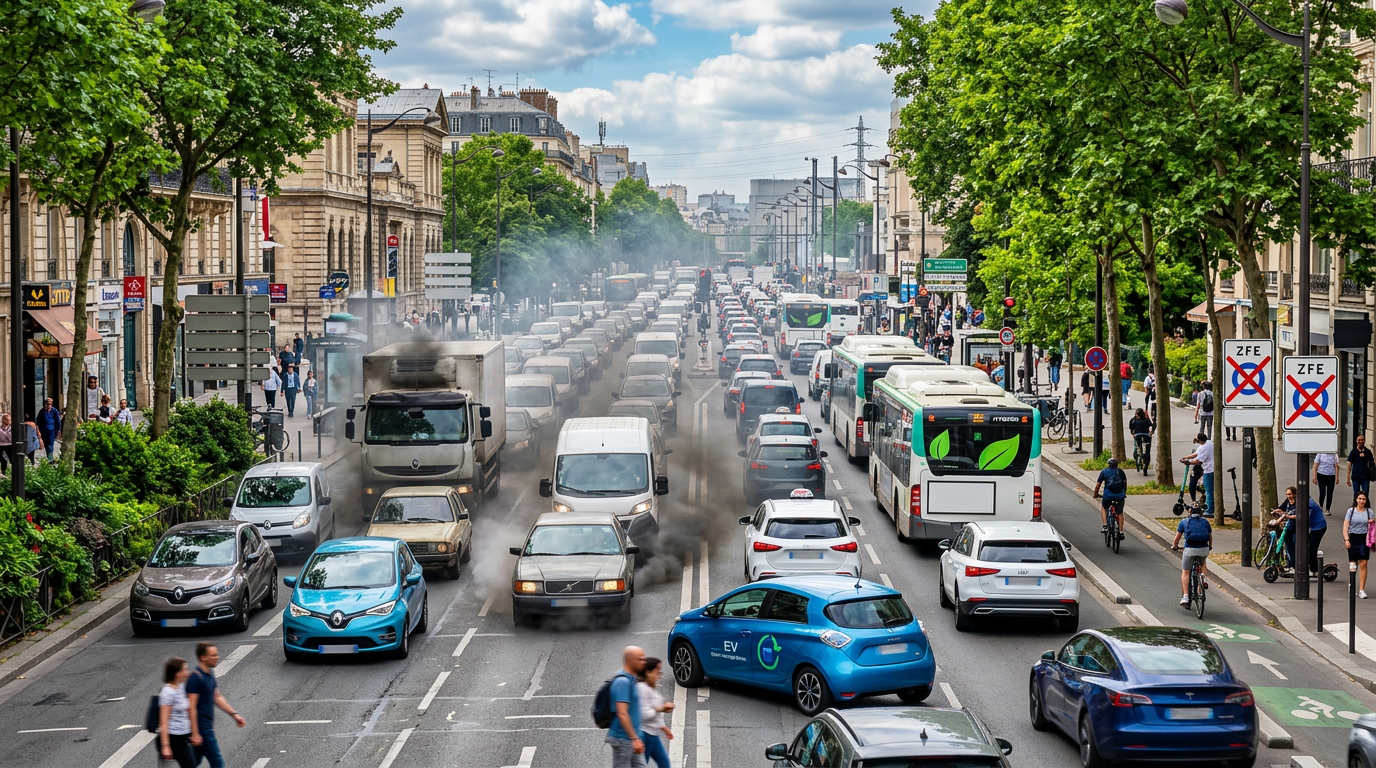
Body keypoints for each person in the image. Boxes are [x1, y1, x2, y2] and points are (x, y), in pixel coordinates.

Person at [185, 643, 247, 768]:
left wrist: (235, 715)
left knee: (192, 763)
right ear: (203, 657)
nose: (217, 657)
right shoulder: (195, 678)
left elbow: (217, 696)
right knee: (217, 763)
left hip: (205, 726)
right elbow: (190, 707)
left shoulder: (209, 674)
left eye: (216, 654)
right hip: (202, 728)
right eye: (213, 655)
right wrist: (195, 733)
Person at [608, 645, 647, 768]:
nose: (644, 662)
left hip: (629, 738)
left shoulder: (632, 679)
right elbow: (622, 713)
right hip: (623, 739)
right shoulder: (623, 682)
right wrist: (634, 739)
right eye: (640, 659)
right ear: (629, 661)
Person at [1278, 485, 1327, 575]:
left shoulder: (1309, 504)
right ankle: (1301, 565)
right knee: (1303, 546)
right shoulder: (1303, 502)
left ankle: (1314, 569)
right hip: (1313, 527)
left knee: (1311, 547)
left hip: (1319, 527)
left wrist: (1288, 516)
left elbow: (1304, 517)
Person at [158, 657, 197, 768]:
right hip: (174, 738)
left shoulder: (179, 687)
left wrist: (194, 733)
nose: (187, 673)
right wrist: (166, 746)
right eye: (185, 670)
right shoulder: (168, 692)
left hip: (183, 736)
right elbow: (163, 721)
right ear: (177, 673)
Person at [1172, 503, 1213, 606]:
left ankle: (1185, 596)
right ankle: (1203, 579)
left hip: (1190, 550)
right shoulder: (1205, 522)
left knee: (1186, 572)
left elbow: (1177, 538)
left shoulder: (1184, 522)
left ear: (1189, 511)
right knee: (1202, 563)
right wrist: (1210, 546)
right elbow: (1210, 536)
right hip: (1204, 549)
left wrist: (1175, 546)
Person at [636, 657, 674, 768]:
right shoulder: (642, 688)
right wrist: (662, 708)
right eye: (657, 670)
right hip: (644, 734)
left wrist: (665, 729)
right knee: (642, 765)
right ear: (648, 672)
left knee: (664, 764)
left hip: (653, 734)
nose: (660, 673)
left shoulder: (650, 687)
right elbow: (643, 714)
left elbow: (655, 714)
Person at [1345, 492, 1372, 599]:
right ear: (1356, 499)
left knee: (1363, 563)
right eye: (1360, 498)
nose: (1361, 501)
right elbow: (1346, 525)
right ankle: (1351, 584)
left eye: (1363, 499)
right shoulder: (1351, 511)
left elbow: (1372, 529)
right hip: (1353, 537)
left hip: (1364, 538)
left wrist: (1372, 523)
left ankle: (1361, 589)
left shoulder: (1369, 512)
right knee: (1353, 564)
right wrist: (1346, 539)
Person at [1181, 432, 1215, 516]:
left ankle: (1209, 509)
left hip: (1208, 469)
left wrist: (1188, 462)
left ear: (1199, 440)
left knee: (1209, 491)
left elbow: (1198, 460)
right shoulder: (1209, 443)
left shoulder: (1204, 448)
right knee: (1209, 490)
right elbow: (1196, 454)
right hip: (1212, 468)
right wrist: (1186, 457)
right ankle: (1210, 506)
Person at [1093, 457, 1129, 534]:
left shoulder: (1104, 472)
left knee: (1104, 508)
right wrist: (1124, 492)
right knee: (1120, 513)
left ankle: (1105, 525)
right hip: (1120, 495)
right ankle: (1121, 531)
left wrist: (1095, 494)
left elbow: (1098, 484)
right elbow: (1125, 483)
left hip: (1108, 495)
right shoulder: (1121, 472)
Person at [1350, 435, 1374, 506]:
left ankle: (1366, 508)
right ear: (1356, 441)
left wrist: (1372, 475)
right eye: (1359, 440)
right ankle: (1355, 507)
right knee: (1356, 494)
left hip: (1365, 477)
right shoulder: (1353, 452)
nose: (1361, 441)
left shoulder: (1368, 452)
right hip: (1356, 476)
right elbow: (1349, 464)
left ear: (1364, 441)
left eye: (1362, 440)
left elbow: (1372, 464)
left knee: (1365, 494)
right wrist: (1348, 478)